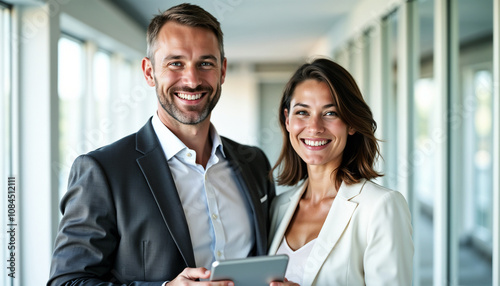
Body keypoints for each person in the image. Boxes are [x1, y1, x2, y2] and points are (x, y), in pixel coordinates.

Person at [48, 3, 277, 286]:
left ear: (222, 71)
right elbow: (67, 281)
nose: (192, 80)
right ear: (149, 72)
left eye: (205, 63)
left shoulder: (254, 163)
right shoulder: (103, 171)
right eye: (175, 63)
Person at [267, 58, 414, 286]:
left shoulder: (381, 206)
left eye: (330, 113)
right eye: (302, 112)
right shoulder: (279, 207)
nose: (314, 127)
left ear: (352, 123)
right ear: (287, 120)